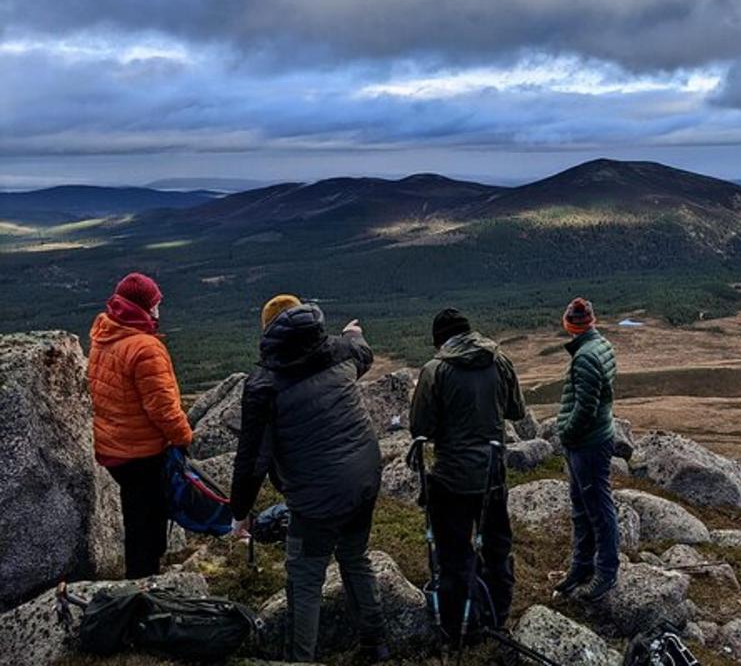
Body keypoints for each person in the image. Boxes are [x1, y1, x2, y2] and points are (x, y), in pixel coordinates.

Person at [229, 297, 387, 663]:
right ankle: (376, 644)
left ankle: (301, 660)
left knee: (305, 578)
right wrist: (354, 332)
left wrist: (240, 513)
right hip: (364, 476)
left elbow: (252, 460)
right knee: (355, 556)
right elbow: (362, 350)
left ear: (268, 331)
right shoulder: (340, 350)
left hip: (317, 497)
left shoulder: (264, 385)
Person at [409, 308, 525, 641]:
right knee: (497, 548)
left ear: (440, 340)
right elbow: (516, 411)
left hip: (452, 478)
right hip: (493, 475)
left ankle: (460, 626)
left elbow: (421, 428)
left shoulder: (436, 370)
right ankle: (497, 616)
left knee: (454, 552)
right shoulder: (499, 361)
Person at [88, 272, 193, 579]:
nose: (159, 309)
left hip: (113, 449)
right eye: (156, 303)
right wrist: (183, 437)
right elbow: (163, 407)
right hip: (142, 452)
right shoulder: (144, 347)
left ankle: (140, 579)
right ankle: (142, 591)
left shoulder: (104, 334)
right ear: (142, 307)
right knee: (148, 527)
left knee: (137, 518)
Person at [553, 297, 619, 601]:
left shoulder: (586, 357)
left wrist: (566, 433)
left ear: (569, 324)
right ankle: (581, 567)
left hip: (588, 444)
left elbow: (585, 408)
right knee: (583, 506)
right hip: (596, 438)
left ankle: (605, 572)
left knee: (597, 508)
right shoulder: (601, 345)